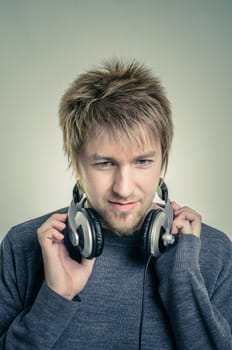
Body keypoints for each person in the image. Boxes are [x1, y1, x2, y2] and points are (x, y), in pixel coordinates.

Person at [0, 58, 231, 350]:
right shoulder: (22, 246)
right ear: (76, 164)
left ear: (163, 160)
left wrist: (183, 283)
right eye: (105, 163)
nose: (123, 188)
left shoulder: (213, 252)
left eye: (143, 161)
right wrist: (55, 298)